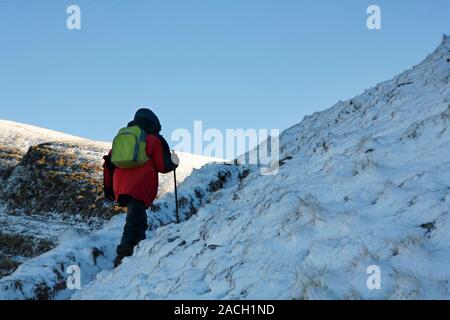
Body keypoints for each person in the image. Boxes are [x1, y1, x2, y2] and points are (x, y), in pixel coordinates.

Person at [103, 108, 179, 267]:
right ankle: (123, 255)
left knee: (136, 217)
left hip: (120, 186)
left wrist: (108, 190)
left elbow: (108, 164)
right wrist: (174, 163)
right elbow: (163, 165)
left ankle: (138, 249)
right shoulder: (153, 139)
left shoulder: (122, 138)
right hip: (140, 184)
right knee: (134, 219)